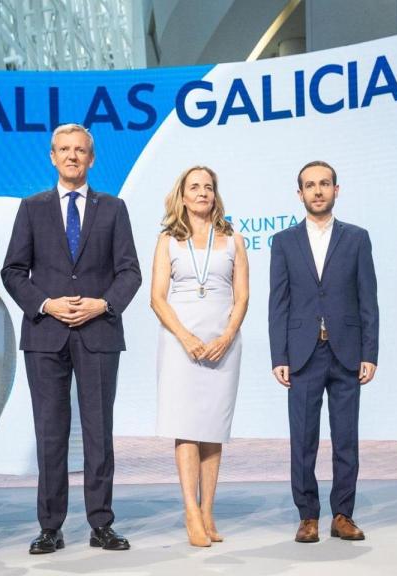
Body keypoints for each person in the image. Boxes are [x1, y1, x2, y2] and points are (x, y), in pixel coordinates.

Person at [1, 123, 142, 554]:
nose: (72, 156)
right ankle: (50, 527)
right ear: (52, 156)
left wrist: (104, 304)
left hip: (98, 333)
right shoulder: (32, 207)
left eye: (80, 150)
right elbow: (12, 271)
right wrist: (46, 304)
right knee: (50, 433)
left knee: (99, 432)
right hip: (46, 336)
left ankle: (101, 523)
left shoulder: (114, 208)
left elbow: (130, 272)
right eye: (64, 149)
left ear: (91, 158)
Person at [268, 160, 378, 543]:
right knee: (303, 439)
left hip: (347, 352)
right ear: (299, 193)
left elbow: (369, 300)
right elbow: (277, 303)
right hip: (302, 354)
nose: (317, 190)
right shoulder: (283, 241)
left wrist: (370, 351)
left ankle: (343, 514)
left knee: (346, 437)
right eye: (310, 185)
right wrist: (278, 356)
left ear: (336, 189)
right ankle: (308, 516)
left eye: (324, 183)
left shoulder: (357, 238)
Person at [150, 166, 249, 547]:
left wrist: (227, 335)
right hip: (181, 343)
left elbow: (242, 296)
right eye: (195, 187)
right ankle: (190, 511)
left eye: (209, 187)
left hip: (223, 343)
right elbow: (158, 298)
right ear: (183, 195)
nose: (203, 192)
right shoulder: (168, 240)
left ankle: (208, 509)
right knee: (186, 425)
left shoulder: (234, 238)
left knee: (213, 429)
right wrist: (186, 337)